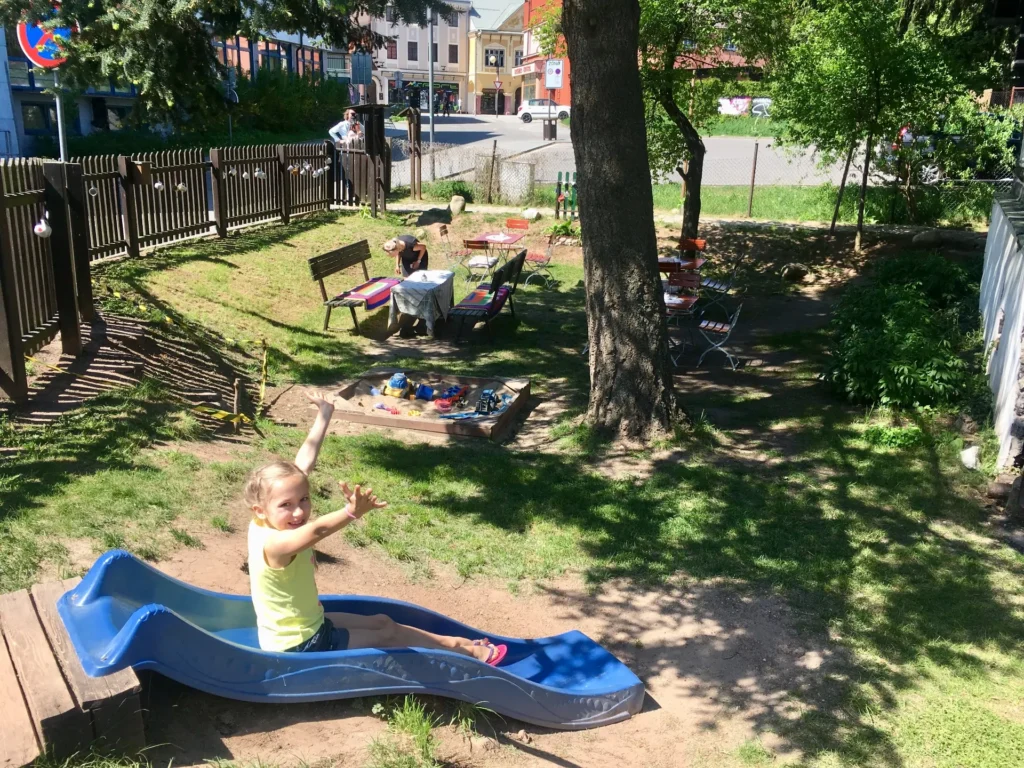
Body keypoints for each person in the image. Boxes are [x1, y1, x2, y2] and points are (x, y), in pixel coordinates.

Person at [245, 390, 507, 664]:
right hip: (300, 644)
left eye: (304, 499)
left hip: (306, 624)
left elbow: (303, 465)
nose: (299, 511)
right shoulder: (275, 545)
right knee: (388, 637)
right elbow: (317, 530)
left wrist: (325, 413)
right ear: (260, 509)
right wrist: (350, 512)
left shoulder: (264, 518)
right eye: (286, 505)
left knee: (383, 622)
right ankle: (468, 653)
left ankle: (456, 645)